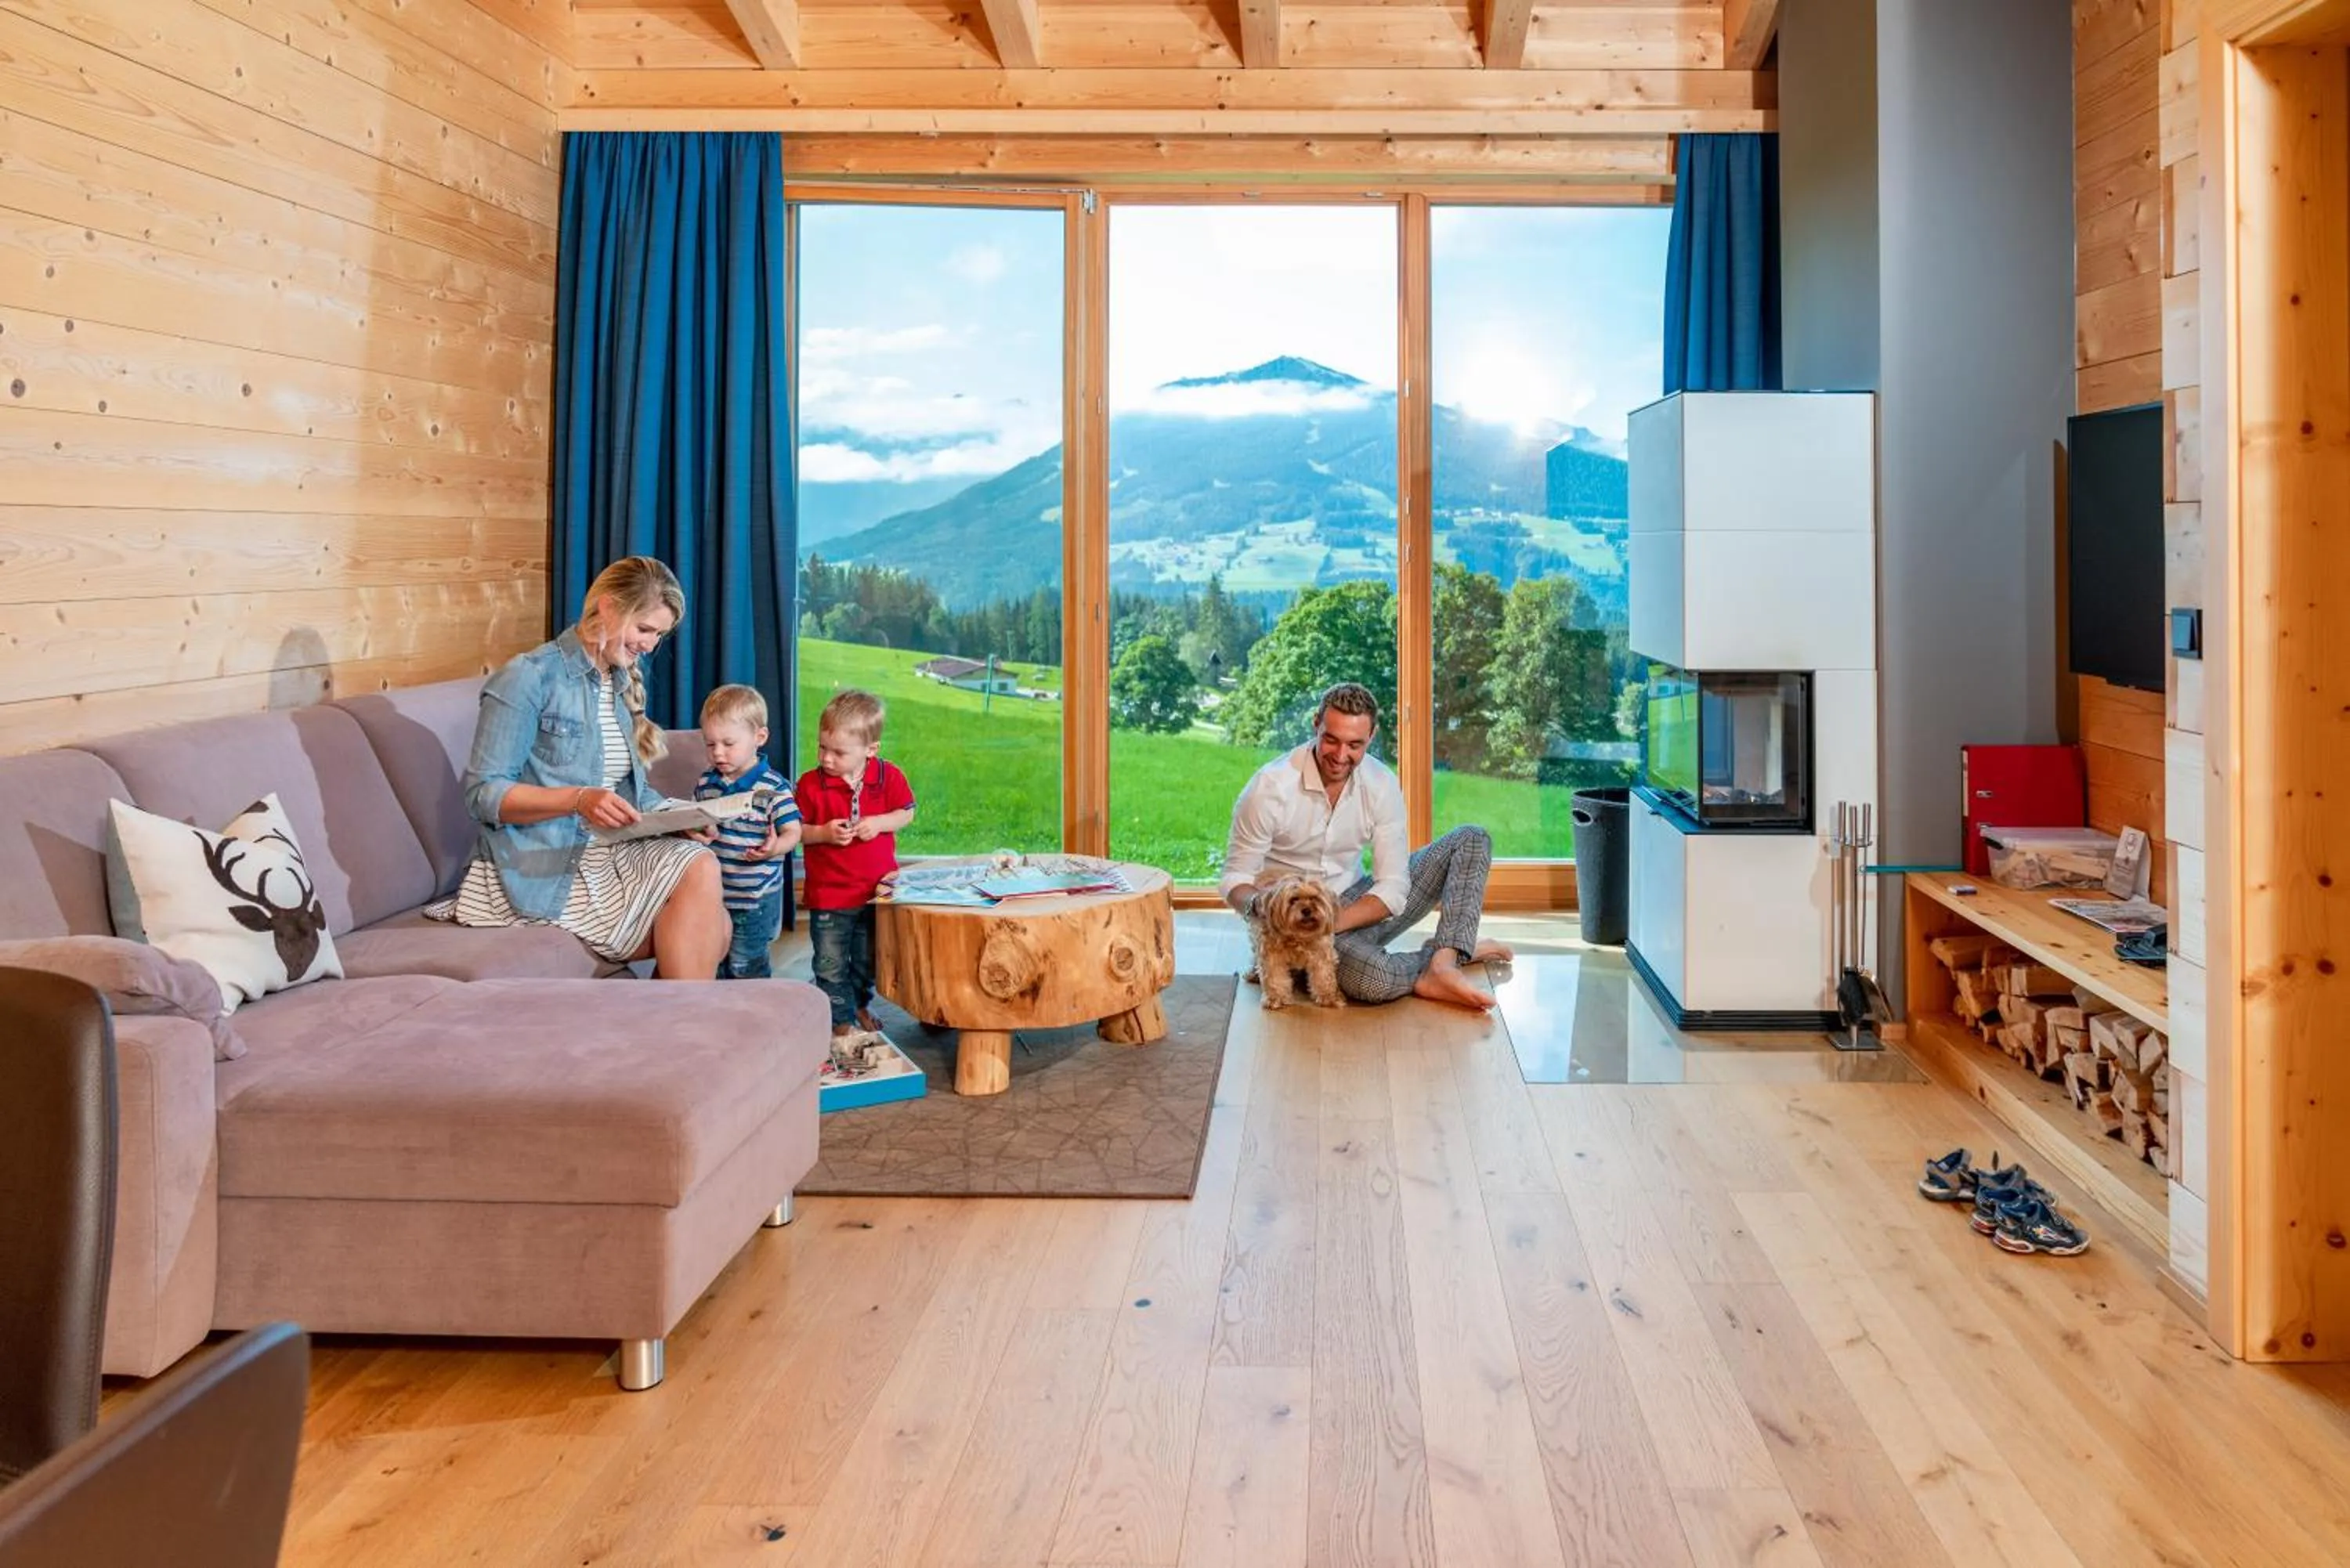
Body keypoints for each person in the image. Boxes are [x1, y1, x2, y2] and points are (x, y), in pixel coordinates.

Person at [429, 556, 730, 979]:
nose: (650, 645)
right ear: (608, 607)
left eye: (659, 635)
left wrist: (681, 818)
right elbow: (484, 795)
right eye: (645, 629)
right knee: (706, 914)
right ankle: (682, 1019)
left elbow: (628, 792)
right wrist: (578, 800)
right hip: (539, 867)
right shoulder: (530, 677)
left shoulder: (616, 682)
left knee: (710, 902)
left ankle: (669, 1017)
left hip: (604, 853)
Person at [1220, 681, 1512, 1011]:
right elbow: (1235, 880)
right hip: (1288, 919)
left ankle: (1445, 961)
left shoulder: (1381, 783)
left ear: (1371, 736)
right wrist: (1264, 907)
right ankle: (1459, 951)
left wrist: (1330, 921)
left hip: (1354, 904)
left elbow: (1393, 885)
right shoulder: (1269, 787)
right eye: (1331, 740)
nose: (1340, 756)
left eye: (1355, 745)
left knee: (1471, 839)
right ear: (1316, 724)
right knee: (1375, 981)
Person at [794, 689, 917, 1036]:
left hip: (876, 893)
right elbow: (795, 831)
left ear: (870, 749)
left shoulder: (888, 776)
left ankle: (859, 1003)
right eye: (822, 748)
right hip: (829, 896)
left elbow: (906, 813)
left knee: (868, 961)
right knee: (830, 964)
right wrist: (823, 833)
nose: (826, 759)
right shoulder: (810, 784)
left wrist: (879, 823)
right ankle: (840, 1022)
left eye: (838, 752)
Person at [696, 684, 802, 981]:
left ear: (760, 737)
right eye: (710, 744)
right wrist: (698, 828)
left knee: (746, 967)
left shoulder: (773, 788)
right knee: (714, 962)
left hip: (755, 897)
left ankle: (753, 1006)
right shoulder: (706, 783)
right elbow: (697, 820)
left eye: (728, 744)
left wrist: (775, 848)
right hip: (715, 895)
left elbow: (793, 831)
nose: (718, 753)